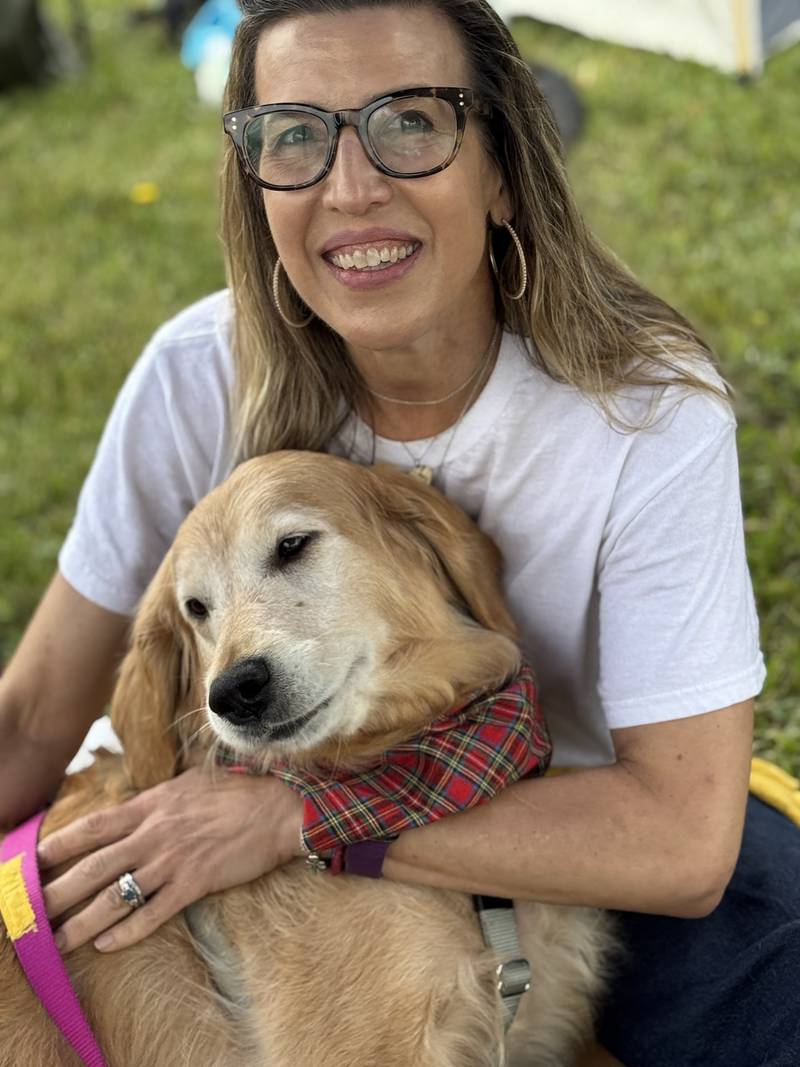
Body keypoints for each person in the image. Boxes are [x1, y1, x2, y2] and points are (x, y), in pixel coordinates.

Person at [1, 1, 797, 1064]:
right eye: (294, 135)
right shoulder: (197, 372)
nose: (350, 187)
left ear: (503, 168)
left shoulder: (641, 411)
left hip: (576, 826)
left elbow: (679, 839)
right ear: (255, 185)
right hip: (250, 822)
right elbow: (31, 719)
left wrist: (293, 822)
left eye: (409, 121)